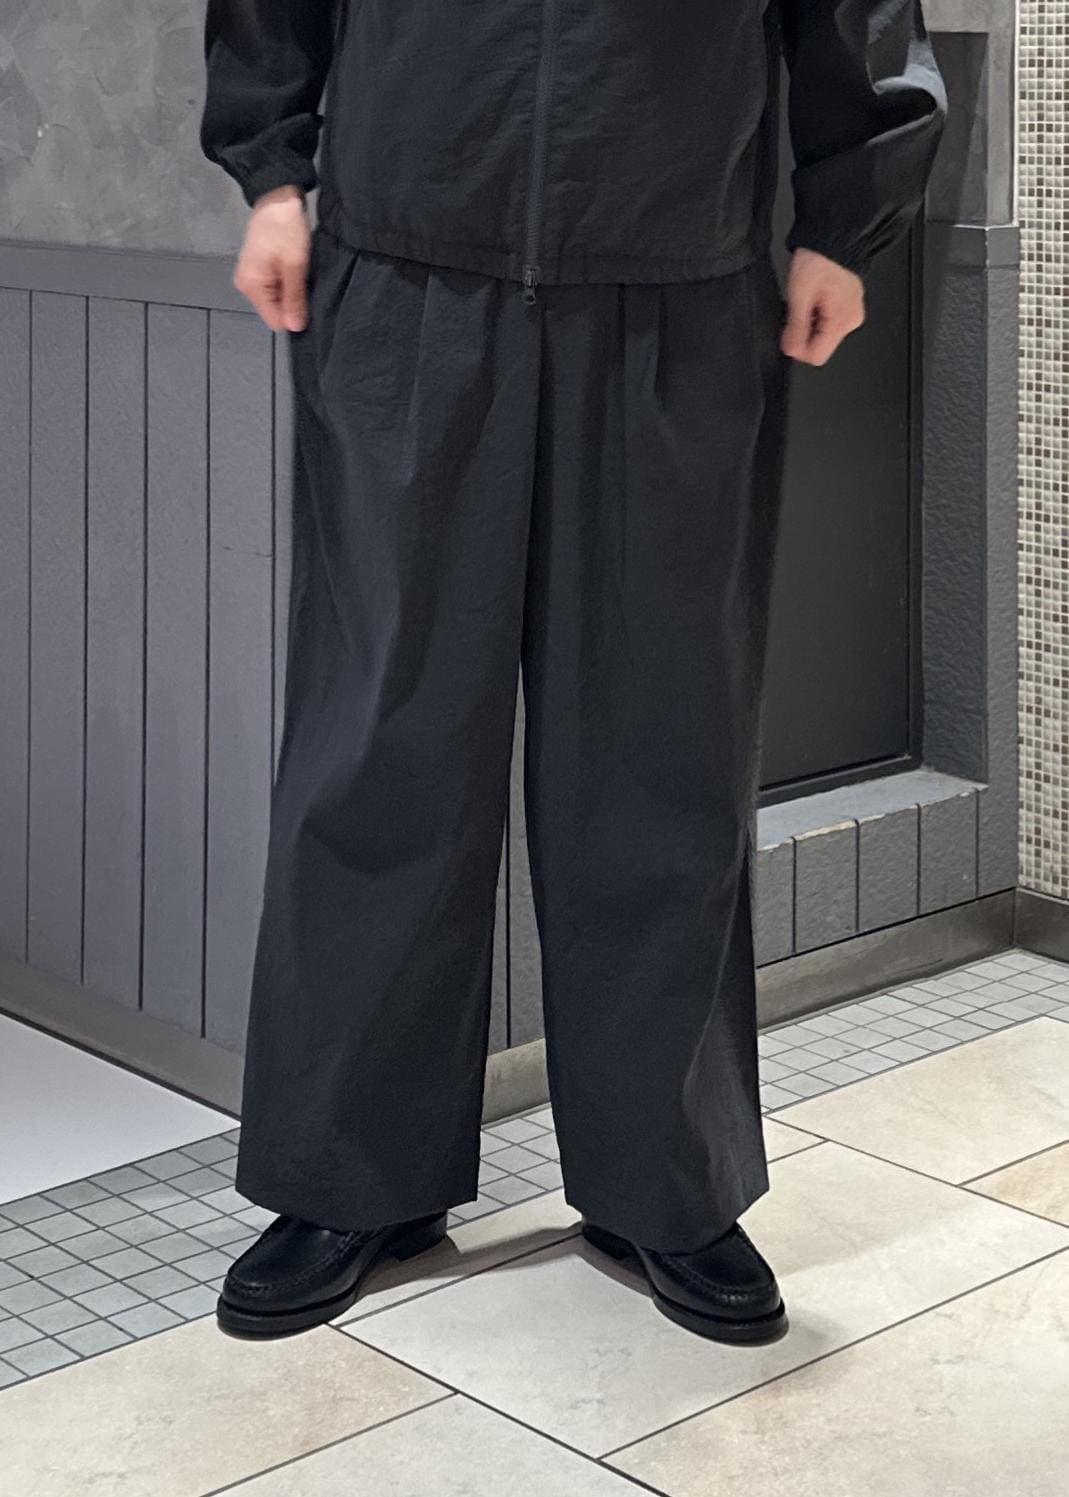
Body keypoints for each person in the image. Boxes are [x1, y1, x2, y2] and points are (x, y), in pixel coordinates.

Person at [199, 0, 946, 1344]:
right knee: (376, 742)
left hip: (677, 277)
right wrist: (272, 173)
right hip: (404, 268)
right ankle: (351, 1178)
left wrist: (847, 216)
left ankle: (664, 1181)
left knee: (663, 745)